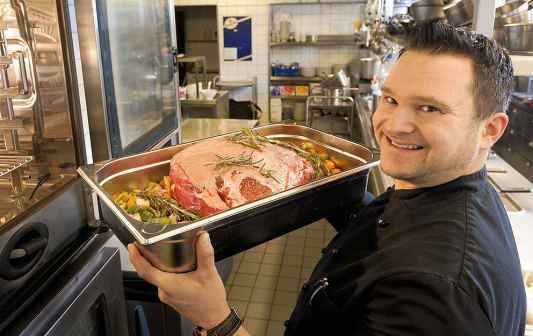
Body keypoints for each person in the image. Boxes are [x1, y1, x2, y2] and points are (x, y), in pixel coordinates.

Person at [128, 21, 526, 335]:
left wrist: (214, 318)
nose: (394, 124)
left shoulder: (434, 294)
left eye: (429, 109)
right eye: (390, 99)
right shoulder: (442, 188)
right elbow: (390, 230)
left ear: (490, 129)